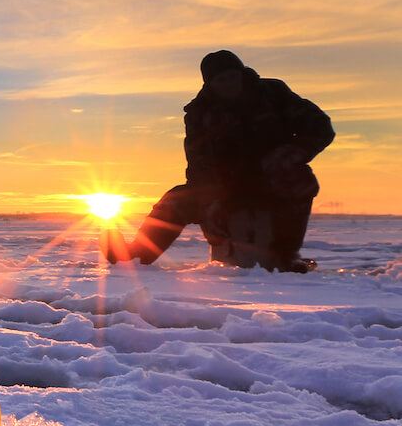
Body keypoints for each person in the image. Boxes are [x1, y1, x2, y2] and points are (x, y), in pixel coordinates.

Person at [106, 50, 334, 272]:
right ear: (210, 84)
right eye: (221, 79)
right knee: (177, 199)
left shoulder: (273, 94)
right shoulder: (199, 113)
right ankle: (136, 256)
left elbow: (321, 127)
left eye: (233, 76)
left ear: (242, 74)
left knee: (299, 180)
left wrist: (287, 155)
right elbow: (197, 163)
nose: (229, 83)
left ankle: (285, 256)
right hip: (226, 186)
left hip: (272, 178)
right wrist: (213, 199)